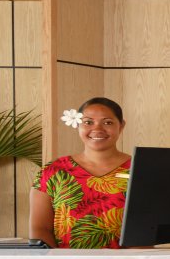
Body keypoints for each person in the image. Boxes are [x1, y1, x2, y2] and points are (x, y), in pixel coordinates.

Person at [31, 97, 131, 248]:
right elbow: (40, 229)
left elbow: (150, 228)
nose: (97, 129)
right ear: (77, 124)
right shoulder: (53, 171)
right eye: (88, 122)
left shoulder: (139, 170)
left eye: (107, 122)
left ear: (121, 126)